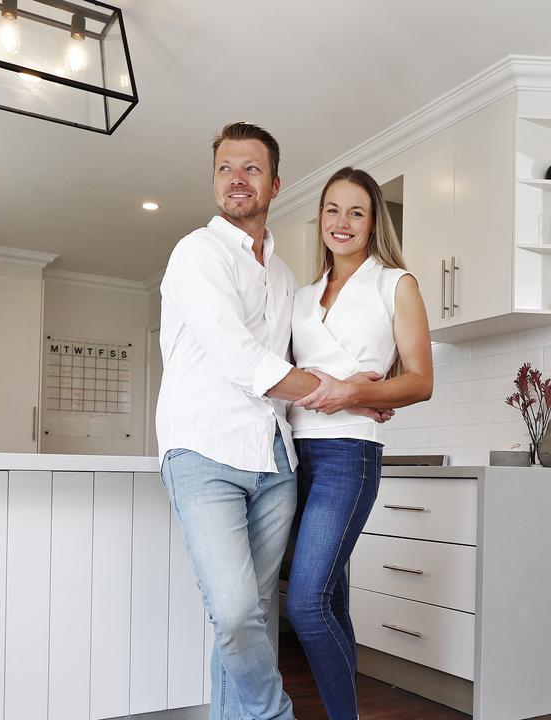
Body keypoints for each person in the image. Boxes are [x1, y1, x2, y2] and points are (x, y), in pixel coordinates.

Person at [156, 124, 391, 720]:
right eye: (226, 169)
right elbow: (242, 359)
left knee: (255, 617)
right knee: (235, 613)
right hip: (204, 453)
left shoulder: (286, 278)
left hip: (276, 461)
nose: (237, 179)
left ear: (275, 184)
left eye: (252, 169)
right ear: (214, 181)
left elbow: (312, 362)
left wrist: (366, 391)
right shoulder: (197, 254)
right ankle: (273, 714)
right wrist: (338, 394)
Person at [285, 167, 434, 720]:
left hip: (348, 454)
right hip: (293, 454)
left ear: (374, 223)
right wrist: (344, 389)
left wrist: (352, 393)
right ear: (319, 218)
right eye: (332, 210)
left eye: (356, 212)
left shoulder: (395, 283)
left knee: (305, 604)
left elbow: (420, 378)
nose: (341, 223)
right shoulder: (300, 297)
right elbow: (281, 376)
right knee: (329, 601)